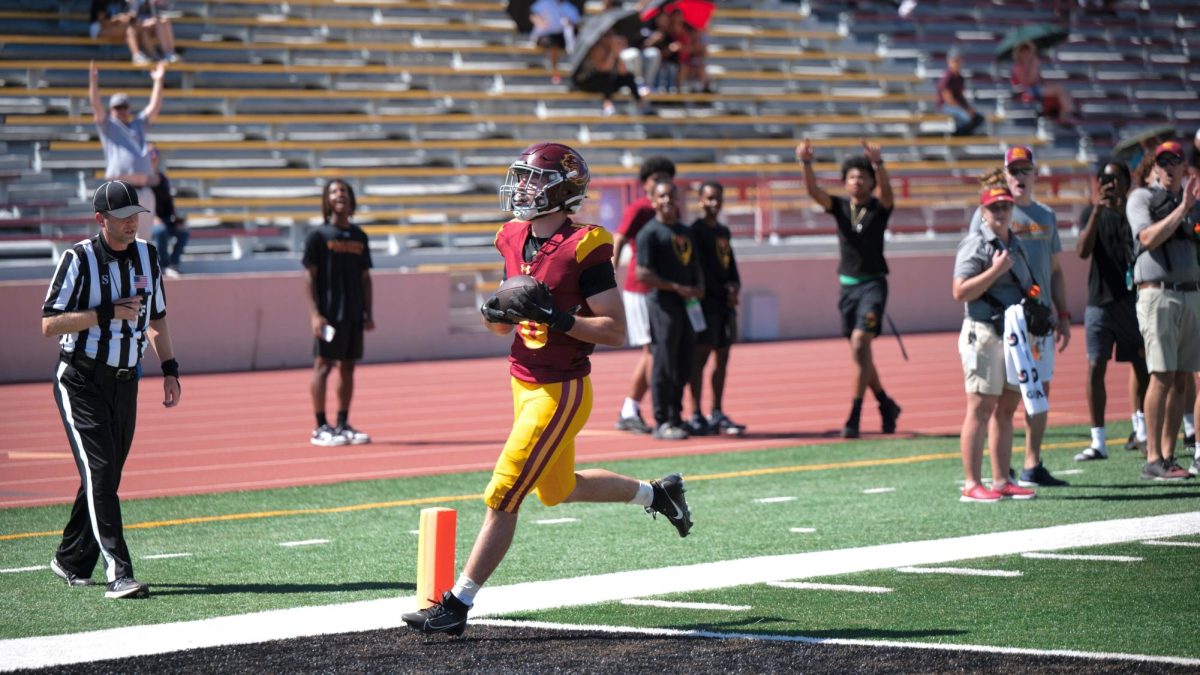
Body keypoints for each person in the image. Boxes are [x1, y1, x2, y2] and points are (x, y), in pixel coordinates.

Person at [401, 142, 692, 637]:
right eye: (522, 178)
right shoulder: (511, 236)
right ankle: (658, 495)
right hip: (521, 380)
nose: (524, 188)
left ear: (563, 188)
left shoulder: (587, 244)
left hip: (561, 389)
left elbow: (615, 330)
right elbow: (505, 326)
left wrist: (557, 318)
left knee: (503, 492)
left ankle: (457, 603)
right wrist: (496, 316)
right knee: (558, 490)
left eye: (535, 180)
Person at [42, 180, 181, 598]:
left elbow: (156, 319)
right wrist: (105, 313)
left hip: (126, 382)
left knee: (104, 475)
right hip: (81, 380)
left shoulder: (148, 255)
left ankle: (69, 558)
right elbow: (49, 323)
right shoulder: (79, 259)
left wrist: (170, 368)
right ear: (101, 219)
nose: (131, 224)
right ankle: (119, 573)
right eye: (122, 218)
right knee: (101, 473)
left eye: (135, 215)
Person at [968, 146, 1070, 487]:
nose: (1019, 177)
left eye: (1025, 170)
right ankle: (1002, 468)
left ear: (1035, 174)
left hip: (1038, 317)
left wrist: (1063, 312)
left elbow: (1056, 270)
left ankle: (1032, 462)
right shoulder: (989, 214)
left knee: (1039, 389)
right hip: (1006, 320)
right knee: (1005, 396)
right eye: (1014, 171)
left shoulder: (1046, 215)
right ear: (1006, 174)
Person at [796, 138, 902, 439]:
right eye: (852, 177)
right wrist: (805, 163)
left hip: (873, 286)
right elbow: (814, 192)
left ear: (871, 181)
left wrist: (879, 164)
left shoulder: (880, 208)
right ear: (845, 183)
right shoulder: (841, 207)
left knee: (859, 344)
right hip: (847, 288)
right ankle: (885, 403)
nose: (857, 181)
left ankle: (854, 415)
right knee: (861, 353)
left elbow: (890, 195)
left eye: (862, 176)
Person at [951, 186, 1038, 502]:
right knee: (980, 406)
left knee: (1007, 407)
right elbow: (960, 291)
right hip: (984, 331)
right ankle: (972, 483)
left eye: (1005, 206)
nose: (1000, 212)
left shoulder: (1016, 243)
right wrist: (995, 271)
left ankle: (1002, 479)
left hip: (1013, 333)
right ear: (983, 211)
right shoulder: (975, 245)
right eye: (994, 207)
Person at [1125, 141, 1200, 480]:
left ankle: (1169, 455)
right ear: (1155, 167)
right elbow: (1148, 237)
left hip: (1189, 293)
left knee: (1183, 377)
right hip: (1158, 294)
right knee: (1161, 374)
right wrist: (1182, 210)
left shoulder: (1191, 201)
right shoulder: (1140, 198)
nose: (1170, 168)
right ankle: (1153, 456)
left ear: (1185, 168)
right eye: (1164, 162)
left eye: (1176, 162)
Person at [1074, 160, 1149, 461]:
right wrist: (1096, 211)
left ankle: (1141, 429)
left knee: (1143, 367)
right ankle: (1098, 440)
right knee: (1095, 367)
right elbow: (1082, 251)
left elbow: (1140, 245)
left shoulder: (1135, 211)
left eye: (1115, 179)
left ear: (1127, 182)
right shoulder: (1091, 212)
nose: (1110, 184)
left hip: (1132, 302)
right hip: (1099, 302)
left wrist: (1121, 211)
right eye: (1105, 179)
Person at [302, 179, 374, 447]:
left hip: (354, 311)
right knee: (323, 367)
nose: (339, 195)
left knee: (348, 367)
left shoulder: (359, 236)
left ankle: (343, 423)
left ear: (351, 199)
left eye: (343, 191)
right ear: (327, 200)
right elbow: (309, 278)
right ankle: (320, 426)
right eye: (334, 191)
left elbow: (366, 278)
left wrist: (368, 312)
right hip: (329, 313)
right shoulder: (318, 236)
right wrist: (315, 314)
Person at [613, 156, 677, 434]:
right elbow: (618, 238)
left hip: (661, 288)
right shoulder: (638, 208)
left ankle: (634, 408)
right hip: (639, 289)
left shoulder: (671, 209)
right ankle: (641, 409)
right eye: (655, 178)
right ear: (645, 183)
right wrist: (607, 276)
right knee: (652, 350)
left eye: (666, 177)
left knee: (657, 351)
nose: (661, 182)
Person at [636, 180, 704, 440]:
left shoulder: (685, 232)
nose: (666, 201)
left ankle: (677, 416)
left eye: (671, 196)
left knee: (684, 361)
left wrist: (698, 286)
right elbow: (643, 273)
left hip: (688, 305)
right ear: (653, 201)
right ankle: (662, 420)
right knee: (664, 361)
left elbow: (695, 264)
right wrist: (676, 287)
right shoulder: (649, 233)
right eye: (661, 196)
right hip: (663, 305)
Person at [686, 181, 746, 436]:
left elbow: (730, 265)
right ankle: (697, 413)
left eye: (717, 199)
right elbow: (696, 270)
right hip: (705, 304)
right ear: (700, 200)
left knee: (723, 357)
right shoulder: (694, 232)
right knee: (699, 359)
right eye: (709, 199)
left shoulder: (723, 231)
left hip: (724, 306)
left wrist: (734, 287)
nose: (713, 204)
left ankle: (717, 411)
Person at [89, 59, 166, 241]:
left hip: (144, 190)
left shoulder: (138, 125)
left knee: (144, 241)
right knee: (120, 239)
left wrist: (159, 80)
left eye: (124, 107)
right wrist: (93, 82)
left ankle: (140, 270)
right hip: (120, 191)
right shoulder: (109, 126)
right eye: (117, 107)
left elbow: (154, 107)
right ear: (112, 110)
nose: (121, 110)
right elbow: (96, 106)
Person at [572, 29, 650, 117]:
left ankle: (641, 104)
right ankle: (608, 105)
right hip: (586, 81)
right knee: (606, 77)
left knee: (629, 77)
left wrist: (619, 52)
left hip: (605, 82)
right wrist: (613, 52)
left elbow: (623, 72)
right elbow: (604, 68)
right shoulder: (597, 48)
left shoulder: (613, 49)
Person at [1010, 41, 1077, 125]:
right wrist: (1034, 67)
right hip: (1026, 91)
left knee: (1061, 88)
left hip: (1035, 88)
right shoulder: (1018, 67)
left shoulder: (1032, 63)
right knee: (1059, 89)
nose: (1026, 54)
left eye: (1028, 52)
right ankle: (1068, 111)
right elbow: (1027, 82)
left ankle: (1065, 115)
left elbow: (1039, 80)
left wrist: (1034, 68)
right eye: (1023, 52)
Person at [147, 143, 188, 276]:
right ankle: (164, 265)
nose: (153, 157)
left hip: (165, 219)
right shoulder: (141, 180)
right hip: (147, 221)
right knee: (161, 230)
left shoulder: (163, 178)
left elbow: (169, 203)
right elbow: (141, 205)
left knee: (183, 232)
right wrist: (154, 218)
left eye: (155, 153)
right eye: (150, 154)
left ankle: (173, 263)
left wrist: (177, 219)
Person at [937, 46, 985, 137]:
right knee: (966, 117)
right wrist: (964, 109)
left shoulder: (960, 77)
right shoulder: (948, 76)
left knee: (978, 118)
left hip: (957, 105)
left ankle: (963, 134)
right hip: (946, 106)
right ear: (949, 62)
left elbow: (960, 96)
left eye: (959, 61)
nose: (957, 64)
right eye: (955, 61)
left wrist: (968, 108)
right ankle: (958, 135)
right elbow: (948, 98)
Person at [529, 0, 579, 85]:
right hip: (543, 34)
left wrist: (569, 23)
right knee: (553, 45)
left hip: (561, 35)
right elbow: (533, 14)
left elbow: (575, 22)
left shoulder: (569, 7)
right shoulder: (544, 3)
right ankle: (555, 72)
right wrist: (540, 22)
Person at [89, 0, 147, 64]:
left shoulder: (121, 2)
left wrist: (127, 18)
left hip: (114, 26)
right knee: (128, 29)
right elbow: (103, 23)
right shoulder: (100, 2)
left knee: (135, 28)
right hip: (98, 28)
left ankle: (142, 54)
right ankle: (136, 55)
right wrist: (118, 20)